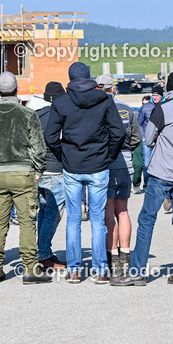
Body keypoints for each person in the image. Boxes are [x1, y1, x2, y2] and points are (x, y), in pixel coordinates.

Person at [113, 71, 173, 287]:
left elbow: (149, 138)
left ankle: (137, 271)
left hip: (162, 171)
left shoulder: (162, 108)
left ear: (169, 87)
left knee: (147, 220)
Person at [45, 62, 126, 284]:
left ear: (70, 78)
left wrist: (63, 156)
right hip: (98, 165)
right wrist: (108, 156)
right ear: (89, 77)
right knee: (98, 220)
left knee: (73, 220)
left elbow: (50, 136)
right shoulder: (105, 100)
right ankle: (100, 271)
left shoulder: (61, 102)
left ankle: (74, 270)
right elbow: (118, 133)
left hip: (72, 165)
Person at [0, 71, 49, 285]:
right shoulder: (28, 114)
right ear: (17, 89)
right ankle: (30, 269)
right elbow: (39, 146)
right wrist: (38, 169)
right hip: (24, 173)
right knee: (27, 222)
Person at [97, 74, 142, 279]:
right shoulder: (127, 109)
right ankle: (125, 256)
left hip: (106, 162)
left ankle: (112, 257)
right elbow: (136, 138)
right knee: (123, 211)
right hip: (126, 161)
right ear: (112, 89)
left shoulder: (97, 109)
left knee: (108, 212)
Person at [36, 81, 66, 266]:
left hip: (39, 170)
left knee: (43, 211)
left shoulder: (37, 115)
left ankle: (42, 251)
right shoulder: (61, 115)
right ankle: (43, 253)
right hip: (55, 169)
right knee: (53, 215)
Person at [136, 85, 163, 192]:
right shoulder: (145, 107)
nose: (155, 97)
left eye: (157, 95)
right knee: (146, 164)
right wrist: (143, 137)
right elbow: (139, 123)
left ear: (161, 96)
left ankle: (158, 185)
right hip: (147, 140)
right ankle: (147, 184)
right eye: (153, 95)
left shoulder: (165, 106)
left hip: (161, 141)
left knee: (160, 165)